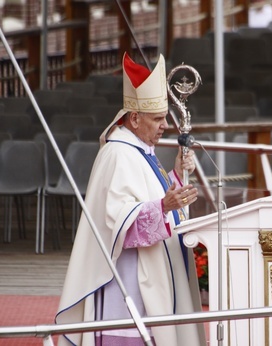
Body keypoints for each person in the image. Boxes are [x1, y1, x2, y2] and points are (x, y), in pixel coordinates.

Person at [55, 53, 206, 346]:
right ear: (135, 118)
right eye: (158, 119)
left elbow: (153, 196)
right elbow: (119, 222)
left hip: (151, 271)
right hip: (127, 280)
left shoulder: (141, 150)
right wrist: (165, 206)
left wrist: (176, 176)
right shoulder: (117, 154)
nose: (165, 125)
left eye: (165, 118)